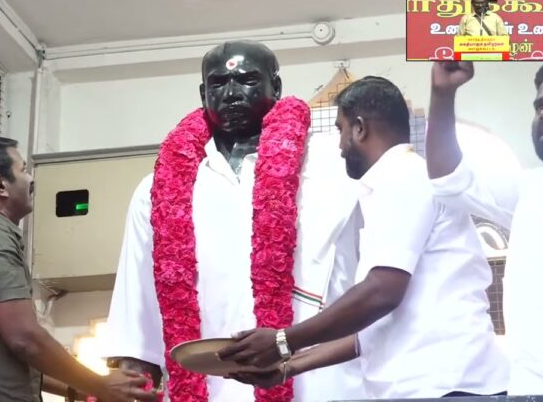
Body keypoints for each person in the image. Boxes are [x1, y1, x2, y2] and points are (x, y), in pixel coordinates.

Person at [105, 40, 366, 401]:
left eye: (247, 80)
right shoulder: (158, 189)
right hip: (209, 389)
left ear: (276, 86)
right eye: (218, 83)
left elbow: (381, 277)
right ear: (203, 94)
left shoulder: (334, 164)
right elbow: (137, 302)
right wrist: (134, 379)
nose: (230, 93)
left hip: (325, 382)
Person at [219, 76, 509, 399]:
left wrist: (282, 340)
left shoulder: (403, 176)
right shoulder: (389, 184)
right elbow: (370, 331)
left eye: (340, 130)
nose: (340, 147)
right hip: (426, 388)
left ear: (359, 129)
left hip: (449, 386)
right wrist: (287, 367)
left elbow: (382, 292)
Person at [0, 137, 156, 402]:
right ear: (0, 184)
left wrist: (86, 391)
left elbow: (22, 360)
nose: (32, 180)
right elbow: (25, 339)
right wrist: (100, 385)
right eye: (23, 170)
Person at [426, 61, 543, 394]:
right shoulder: (530, 189)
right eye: (540, 105)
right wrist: (442, 94)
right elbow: (448, 179)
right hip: (527, 385)